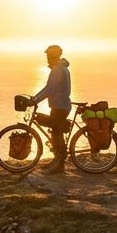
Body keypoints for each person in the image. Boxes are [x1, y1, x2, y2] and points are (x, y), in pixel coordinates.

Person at [30, 44, 72, 173]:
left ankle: (59, 165)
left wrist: (35, 100)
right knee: (55, 132)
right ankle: (56, 160)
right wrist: (35, 98)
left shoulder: (58, 70)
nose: (47, 58)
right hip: (60, 105)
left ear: (53, 56)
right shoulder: (59, 68)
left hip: (60, 106)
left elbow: (49, 89)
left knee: (57, 133)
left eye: (48, 56)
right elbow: (50, 88)